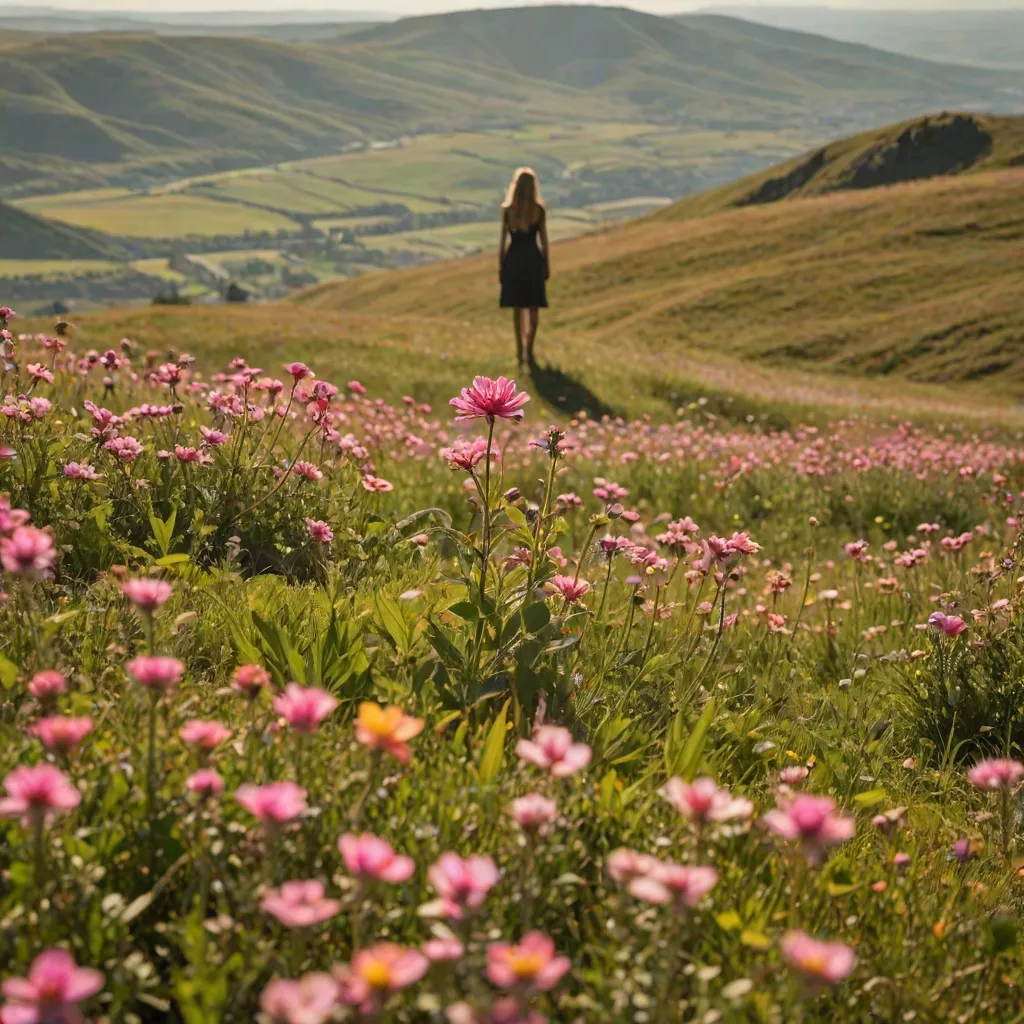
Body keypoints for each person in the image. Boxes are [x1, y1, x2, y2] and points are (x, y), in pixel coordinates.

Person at [499, 167, 550, 367]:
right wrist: (547, 264)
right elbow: (544, 241)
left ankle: (520, 350)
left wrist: (500, 266)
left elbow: (502, 242)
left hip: (514, 258)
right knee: (534, 306)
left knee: (517, 307)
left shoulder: (508, 210)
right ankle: (530, 348)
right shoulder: (538, 210)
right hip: (532, 259)